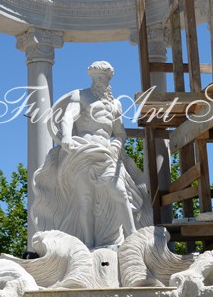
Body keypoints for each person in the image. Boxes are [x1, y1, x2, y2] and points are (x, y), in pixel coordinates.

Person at [29, 61, 151, 248]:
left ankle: (132, 237)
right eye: (96, 77)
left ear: (109, 78)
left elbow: (120, 133)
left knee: (120, 192)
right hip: (83, 152)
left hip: (106, 154)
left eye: (102, 77)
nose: (99, 80)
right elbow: (69, 117)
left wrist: (117, 145)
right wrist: (67, 137)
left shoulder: (115, 104)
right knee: (85, 200)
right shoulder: (82, 96)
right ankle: (88, 242)